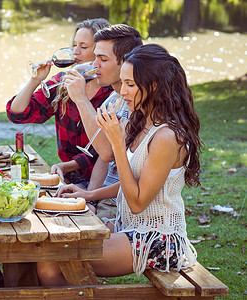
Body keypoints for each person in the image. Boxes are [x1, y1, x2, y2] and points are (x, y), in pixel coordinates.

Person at [37, 43, 202, 285]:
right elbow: (134, 181)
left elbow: (137, 201)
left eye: (130, 84)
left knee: (51, 258)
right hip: (129, 228)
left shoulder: (167, 137)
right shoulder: (141, 120)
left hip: (157, 239)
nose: (122, 91)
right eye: (122, 82)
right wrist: (89, 193)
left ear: (154, 86)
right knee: (45, 247)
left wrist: (117, 144)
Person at [6, 18, 112, 187]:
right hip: (69, 177)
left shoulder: (113, 93)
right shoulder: (63, 83)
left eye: (83, 47)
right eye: (74, 45)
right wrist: (35, 80)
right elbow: (17, 114)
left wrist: (66, 167)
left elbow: (103, 152)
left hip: (104, 182)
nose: (75, 52)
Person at [55, 24, 142, 220]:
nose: (95, 65)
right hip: (103, 195)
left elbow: (107, 152)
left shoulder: (136, 105)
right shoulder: (112, 99)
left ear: (126, 63)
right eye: (95, 57)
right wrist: (89, 201)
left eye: (102, 59)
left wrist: (81, 99)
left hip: (122, 202)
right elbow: (103, 160)